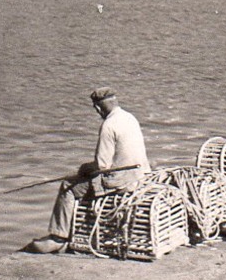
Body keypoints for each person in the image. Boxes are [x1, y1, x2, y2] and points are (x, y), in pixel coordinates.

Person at [25, 86, 149, 254]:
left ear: (98, 107)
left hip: (120, 181)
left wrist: (84, 168)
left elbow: (101, 166)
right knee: (80, 180)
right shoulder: (130, 117)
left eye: (96, 108)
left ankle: (58, 238)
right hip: (139, 175)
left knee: (68, 187)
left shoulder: (108, 125)